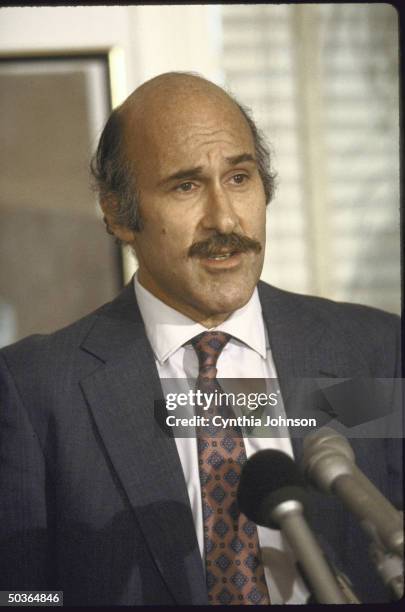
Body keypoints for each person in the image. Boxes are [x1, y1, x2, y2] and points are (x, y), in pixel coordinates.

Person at [0, 72, 401, 606]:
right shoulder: (37, 389)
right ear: (119, 212)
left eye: (239, 178)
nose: (224, 218)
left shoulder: (372, 352)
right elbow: (19, 597)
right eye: (185, 186)